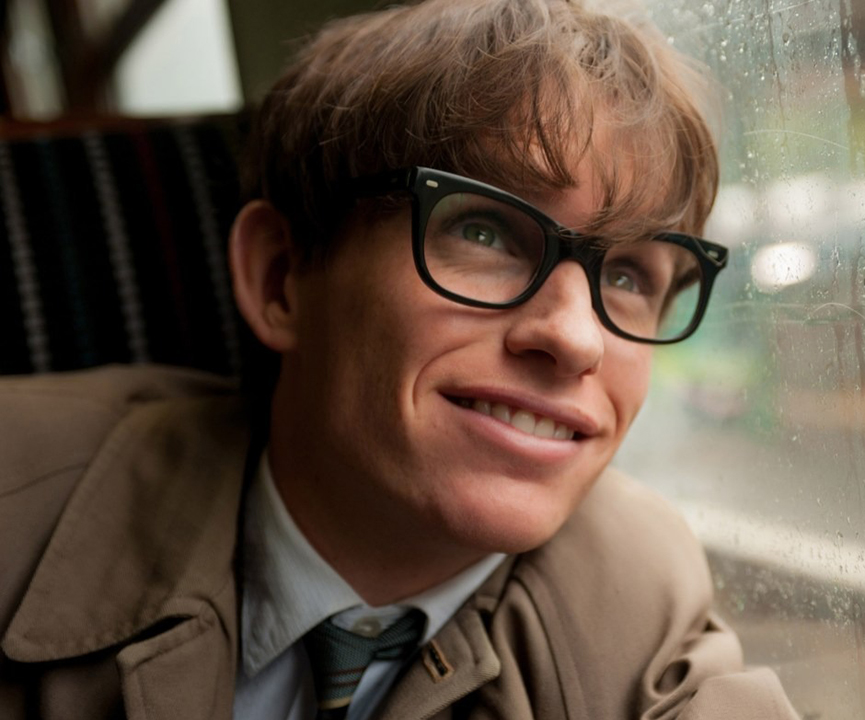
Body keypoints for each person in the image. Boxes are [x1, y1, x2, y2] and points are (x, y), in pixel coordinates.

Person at [0, 0, 799, 718]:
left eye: (628, 276)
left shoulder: (637, 590)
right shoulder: (16, 492)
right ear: (282, 279)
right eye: (483, 231)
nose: (576, 338)